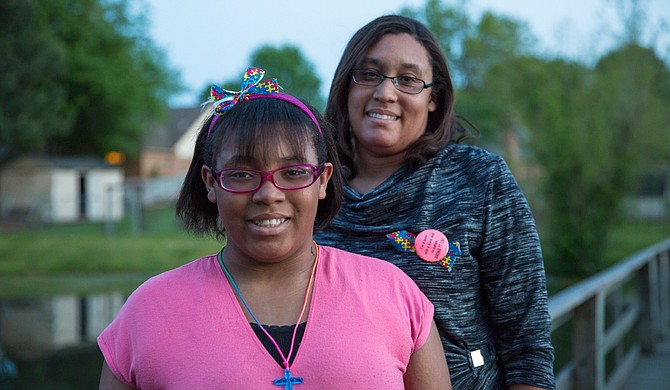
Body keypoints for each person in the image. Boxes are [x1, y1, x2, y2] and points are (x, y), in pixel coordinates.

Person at [97, 67, 451, 389]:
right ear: (210, 183)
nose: (269, 194)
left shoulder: (395, 296)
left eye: (293, 173)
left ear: (323, 180)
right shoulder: (148, 312)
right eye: (241, 175)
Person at [314, 15, 556, 389]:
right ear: (347, 86)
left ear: (433, 99)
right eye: (369, 74)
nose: (385, 92)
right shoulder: (312, 189)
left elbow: (528, 346)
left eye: (408, 80)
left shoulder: (479, 178)